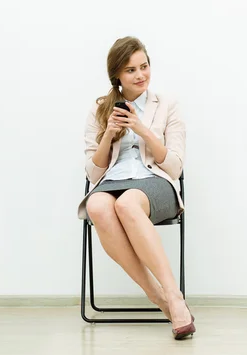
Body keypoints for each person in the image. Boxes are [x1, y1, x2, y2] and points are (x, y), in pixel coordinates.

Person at [77, 36, 195, 340]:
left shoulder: (168, 106)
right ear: (117, 74)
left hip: (155, 183)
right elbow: (93, 173)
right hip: (113, 182)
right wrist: (109, 135)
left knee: (127, 203)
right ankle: (157, 297)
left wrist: (141, 129)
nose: (140, 75)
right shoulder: (100, 108)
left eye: (144, 66)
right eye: (131, 70)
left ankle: (174, 297)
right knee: (97, 205)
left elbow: (174, 165)